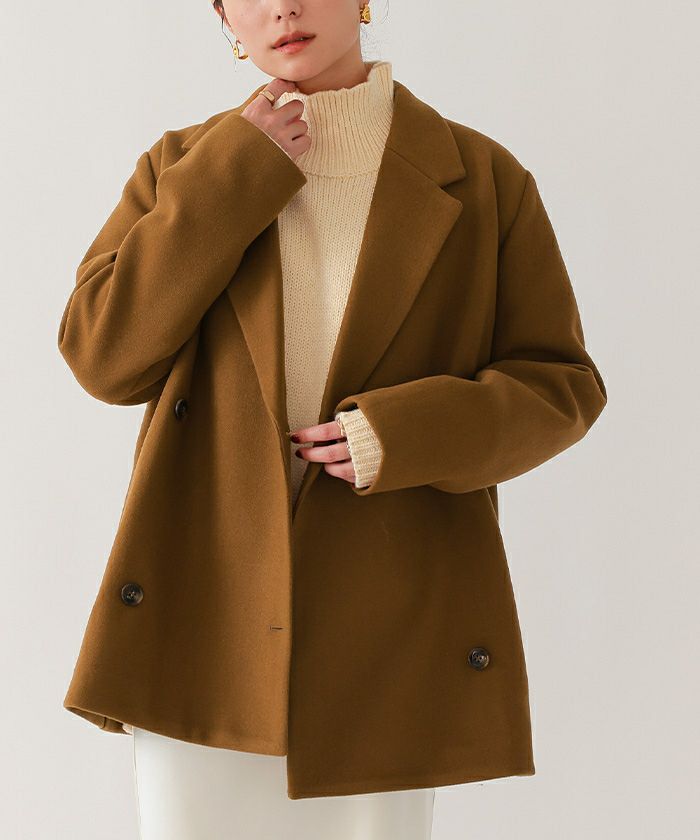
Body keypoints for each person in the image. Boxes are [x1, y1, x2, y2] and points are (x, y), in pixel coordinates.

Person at [58, 0, 607, 836]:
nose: (281, 7)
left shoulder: (484, 179)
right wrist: (234, 175)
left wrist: (402, 435)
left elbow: (561, 385)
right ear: (224, 20)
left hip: (388, 615)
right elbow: (104, 355)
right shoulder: (184, 166)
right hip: (205, 609)